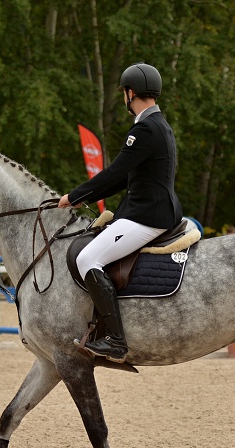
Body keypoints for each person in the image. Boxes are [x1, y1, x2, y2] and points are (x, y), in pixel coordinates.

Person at [58, 62, 182, 363]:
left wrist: (74, 196)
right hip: (154, 211)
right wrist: (83, 197)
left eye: (124, 93)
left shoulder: (144, 129)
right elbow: (125, 179)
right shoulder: (160, 124)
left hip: (146, 217)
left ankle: (115, 340)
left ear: (131, 92)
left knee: (87, 258)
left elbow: (113, 173)